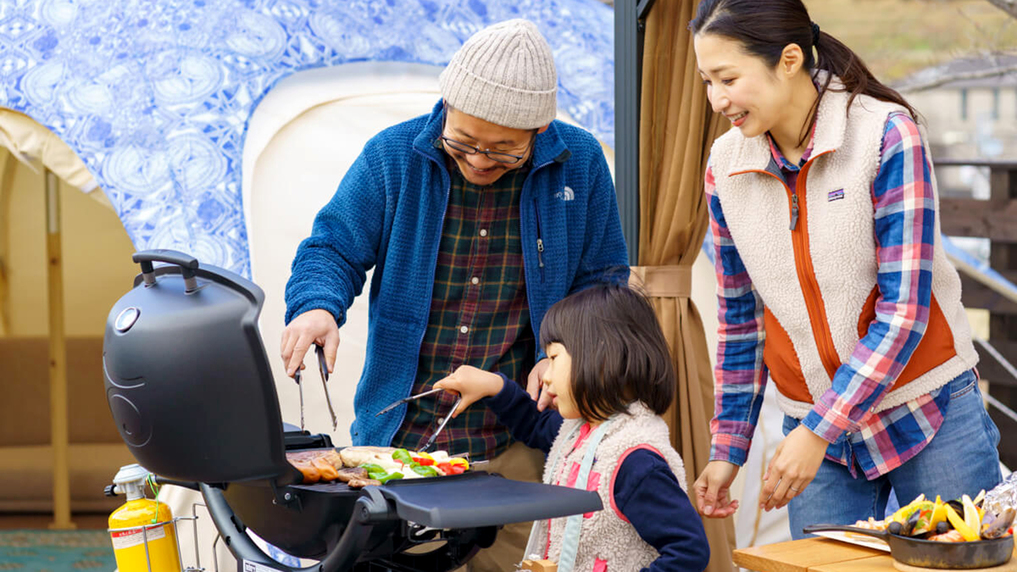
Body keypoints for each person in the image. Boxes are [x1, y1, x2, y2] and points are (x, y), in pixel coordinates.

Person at [280, 18, 628, 569]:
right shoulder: (393, 157)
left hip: (523, 446)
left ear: (541, 130)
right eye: (463, 141)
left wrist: (565, 353)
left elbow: (603, 282)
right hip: (399, 444)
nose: (480, 160)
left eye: (504, 150)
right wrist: (318, 305)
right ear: (444, 106)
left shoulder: (579, 164)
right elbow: (333, 248)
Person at [689, 0, 1002, 539]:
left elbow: (904, 312)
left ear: (789, 59)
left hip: (926, 411)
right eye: (706, 81)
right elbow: (742, 321)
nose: (717, 100)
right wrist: (729, 448)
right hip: (811, 429)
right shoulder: (724, 167)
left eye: (727, 78)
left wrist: (819, 430)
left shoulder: (885, 134)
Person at [434, 283, 711, 572]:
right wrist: (495, 387)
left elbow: (689, 550)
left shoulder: (636, 463)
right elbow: (534, 424)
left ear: (601, 358)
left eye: (554, 359)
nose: (547, 376)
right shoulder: (580, 431)